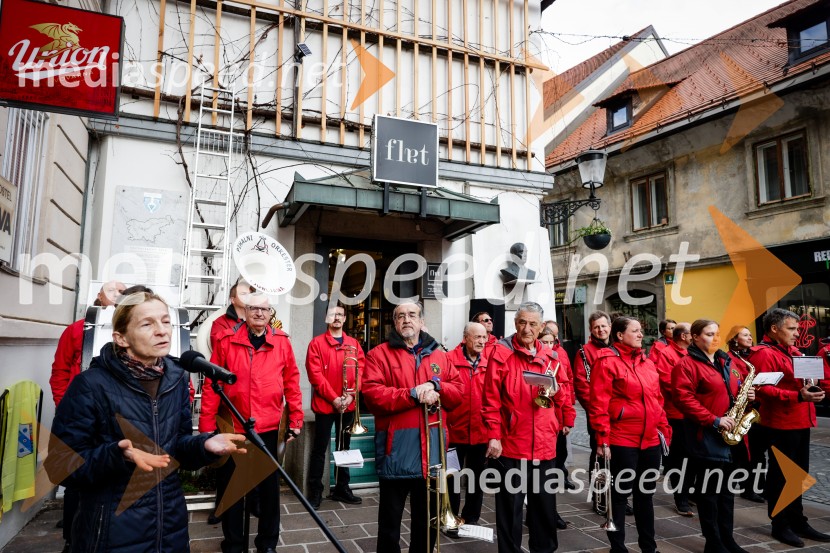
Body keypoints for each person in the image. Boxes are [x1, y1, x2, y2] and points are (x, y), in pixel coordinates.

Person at [46, 291, 244, 552]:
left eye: (165, 321)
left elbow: (177, 448)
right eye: (147, 324)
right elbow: (60, 466)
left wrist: (205, 446)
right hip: (113, 533)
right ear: (121, 338)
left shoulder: (176, 378)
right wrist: (118, 455)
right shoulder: (90, 385)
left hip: (170, 527)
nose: (162, 331)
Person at [199, 292, 304, 553]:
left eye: (264, 309)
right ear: (245, 312)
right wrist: (206, 427)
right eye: (253, 308)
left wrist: (296, 419)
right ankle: (233, 544)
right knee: (233, 491)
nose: (259, 313)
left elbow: (292, 381)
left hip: (269, 428)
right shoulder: (226, 341)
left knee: (269, 492)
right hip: (232, 427)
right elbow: (213, 385)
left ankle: (267, 544)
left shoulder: (281, 342)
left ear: (271, 314)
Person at [362, 302, 463, 553]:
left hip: (432, 451)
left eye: (412, 315)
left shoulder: (440, 355)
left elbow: (459, 392)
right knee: (389, 524)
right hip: (397, 451)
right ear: (394, 323)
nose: (406, 319)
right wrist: (413, 393)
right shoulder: (378, 354)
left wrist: (437, 387)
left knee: (426, 522)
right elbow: (373, 396)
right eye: (400, 316)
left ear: (421, 321)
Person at [48, 279, 125, 551]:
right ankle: (72, 537)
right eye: (112, 289)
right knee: (77, 477)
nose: (119, 294)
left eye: (123, 291)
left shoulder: (134, 331)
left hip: (116, 420)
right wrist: (66, 406)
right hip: (81, 416)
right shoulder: (76, 330)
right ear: (99, 296)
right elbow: (59, 372)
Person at [482, 302, 563, 553]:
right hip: (512, 443)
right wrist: (494, 436)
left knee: (545, 508)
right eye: (522, 323)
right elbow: (490, 399)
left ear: (541, 327)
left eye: (532, 324)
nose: (526, 329)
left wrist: (557, 393)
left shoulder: (551, 356)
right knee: (510, 509)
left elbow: (562, 397)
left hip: (544, 443)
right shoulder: (501, 353)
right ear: (515, 323)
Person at [589, 316, 671, 553]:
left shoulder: (646, 362)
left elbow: (657, 399)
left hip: (650, 439)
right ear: (619, 335)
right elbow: (598, 404)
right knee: (619, 497)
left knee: (645, 494)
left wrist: (663, 428)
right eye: (634, 331)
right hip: (622, 439)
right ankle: (618, 547)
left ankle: (649, 546)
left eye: (640, 331)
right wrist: (602, 439)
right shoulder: (606, 362)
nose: (639, 334)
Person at [751, 308, 830, 547]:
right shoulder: (764, 353)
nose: (797, 334)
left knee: (798, 476)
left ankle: (798, 520)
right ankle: (780, 524)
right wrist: (797, 395)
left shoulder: (792, 350)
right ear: (774, 329)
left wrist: (813, 384)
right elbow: (762, 389)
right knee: (781, 477)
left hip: (800, 419)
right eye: (792, 329)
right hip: (781, 423)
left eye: (797, 329)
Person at [673, 319, 753, 553]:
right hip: (705, 436)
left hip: (729, 435)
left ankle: (728, 539)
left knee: (727, 494)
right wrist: (714, 420)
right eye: (709, 334)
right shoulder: (686, 364)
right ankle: (714, 542)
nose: (715, 338)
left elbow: (731, 390)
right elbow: (684, 400)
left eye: (717, 333)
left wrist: (747, 395)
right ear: (695, 337)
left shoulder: (724, 360)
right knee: (709, 495)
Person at [305, 304, 365, 509]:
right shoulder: (316, 344)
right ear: (327, 319)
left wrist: (349, 396)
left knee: (344, 447)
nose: (336, 317)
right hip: (325, 405)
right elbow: (315, 375)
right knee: (319, 449)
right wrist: (333, 398)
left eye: (340, 314)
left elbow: (361, 371)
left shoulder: (354, 344)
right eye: (332, 314)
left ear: (345, 319)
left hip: (347, 405)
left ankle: (342, 488)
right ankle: (315, 491)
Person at [573, 310, 625, 515]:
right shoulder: (584, 352)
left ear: (610, 327)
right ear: (591, 330)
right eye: (596, 327)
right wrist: (598, 409)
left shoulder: (619, 348)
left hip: (621, 416)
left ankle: (618, 498)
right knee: (599, 458)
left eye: (604, 326)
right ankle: (600, 497)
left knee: (619, 458)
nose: (601, 330)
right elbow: (582, 386)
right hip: (599, 414)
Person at [446, 321, 490, 528]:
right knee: (452, 479)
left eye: (484, 337)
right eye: (477, 337)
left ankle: (471, 517)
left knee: (476, 479)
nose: (481, 341)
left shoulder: (490, 362)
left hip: (481, 432)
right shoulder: (449, 360)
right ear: (465, 338)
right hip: (454, 431)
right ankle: (451, 516)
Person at [651, 322, 694, 516]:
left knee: (693, 457)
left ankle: (691, 492)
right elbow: (669, 383)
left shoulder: (694, 352)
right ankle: (681, 497)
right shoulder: (667, 354)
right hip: (676, 413)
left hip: (695, 413)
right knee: (680, 458)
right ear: (684, 336)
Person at [539, 326, 576, 528]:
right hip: (539, 422)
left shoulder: (556, 361)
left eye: (550, 342)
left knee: (555, 467)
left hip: (556, 421)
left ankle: (550, 511)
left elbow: (567, 388)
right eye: (544, 342)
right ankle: (547, 513)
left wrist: (568, 420)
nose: (547, 345)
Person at [726, 325, 766, 503]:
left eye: (751, 335)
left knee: (752, 454)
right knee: (741, 455)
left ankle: (751, 486)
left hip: (748, 409)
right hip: (738, 411)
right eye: (745, 335)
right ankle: (745, 487)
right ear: (735, 338)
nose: (750, 338)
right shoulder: (729, 358)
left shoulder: (746, 358)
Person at [211, 280, 254, 351]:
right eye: (243, 294)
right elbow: (219, 349)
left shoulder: (258, 320)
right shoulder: (220, 323)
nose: (248, 297)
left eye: (250, 294)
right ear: (233, 300)